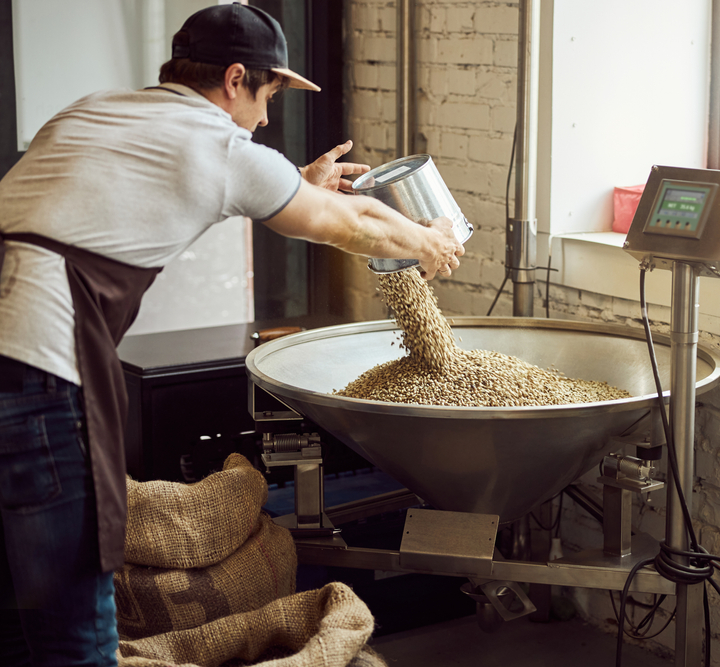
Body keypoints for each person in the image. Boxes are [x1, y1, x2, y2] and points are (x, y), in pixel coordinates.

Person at [0, 3, 464, 666]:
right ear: (235, 78)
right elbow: (343, 222)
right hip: (38, 373)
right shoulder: (221, 145)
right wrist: (427, 241)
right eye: (268, 96)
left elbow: (138, 196)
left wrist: (296, 188)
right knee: (73, 635)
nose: (267, 119)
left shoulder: (95, 111)